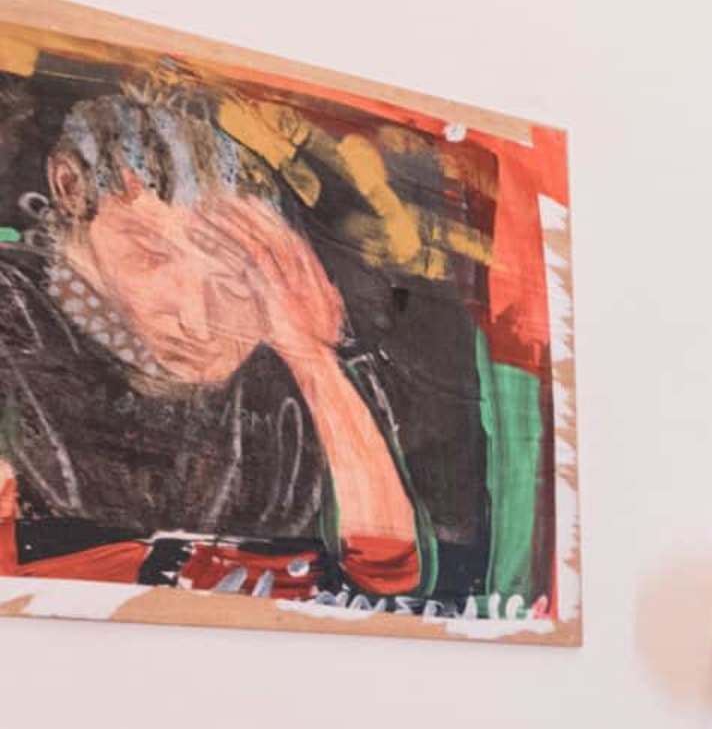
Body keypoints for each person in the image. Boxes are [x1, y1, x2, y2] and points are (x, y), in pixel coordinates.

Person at [0, 80, 426, 600]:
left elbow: (387, 575)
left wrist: (315, 362)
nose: (198, 323)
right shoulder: (16, 324)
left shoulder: (285, 382)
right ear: (70, 188)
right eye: (150, 257)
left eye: (234, 279)